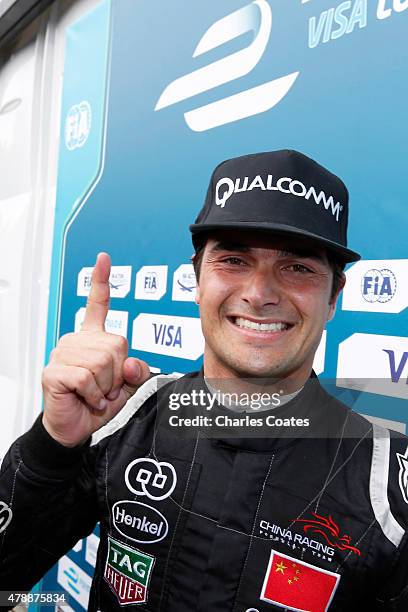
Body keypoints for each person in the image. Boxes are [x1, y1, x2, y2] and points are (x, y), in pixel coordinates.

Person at [0, 149, 407, 611]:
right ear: (197, 280)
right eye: (233, 260)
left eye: (297, 268)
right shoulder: (126, 413)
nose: (259, 293)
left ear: (333, 297)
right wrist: (52, 445)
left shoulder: (387, 486)